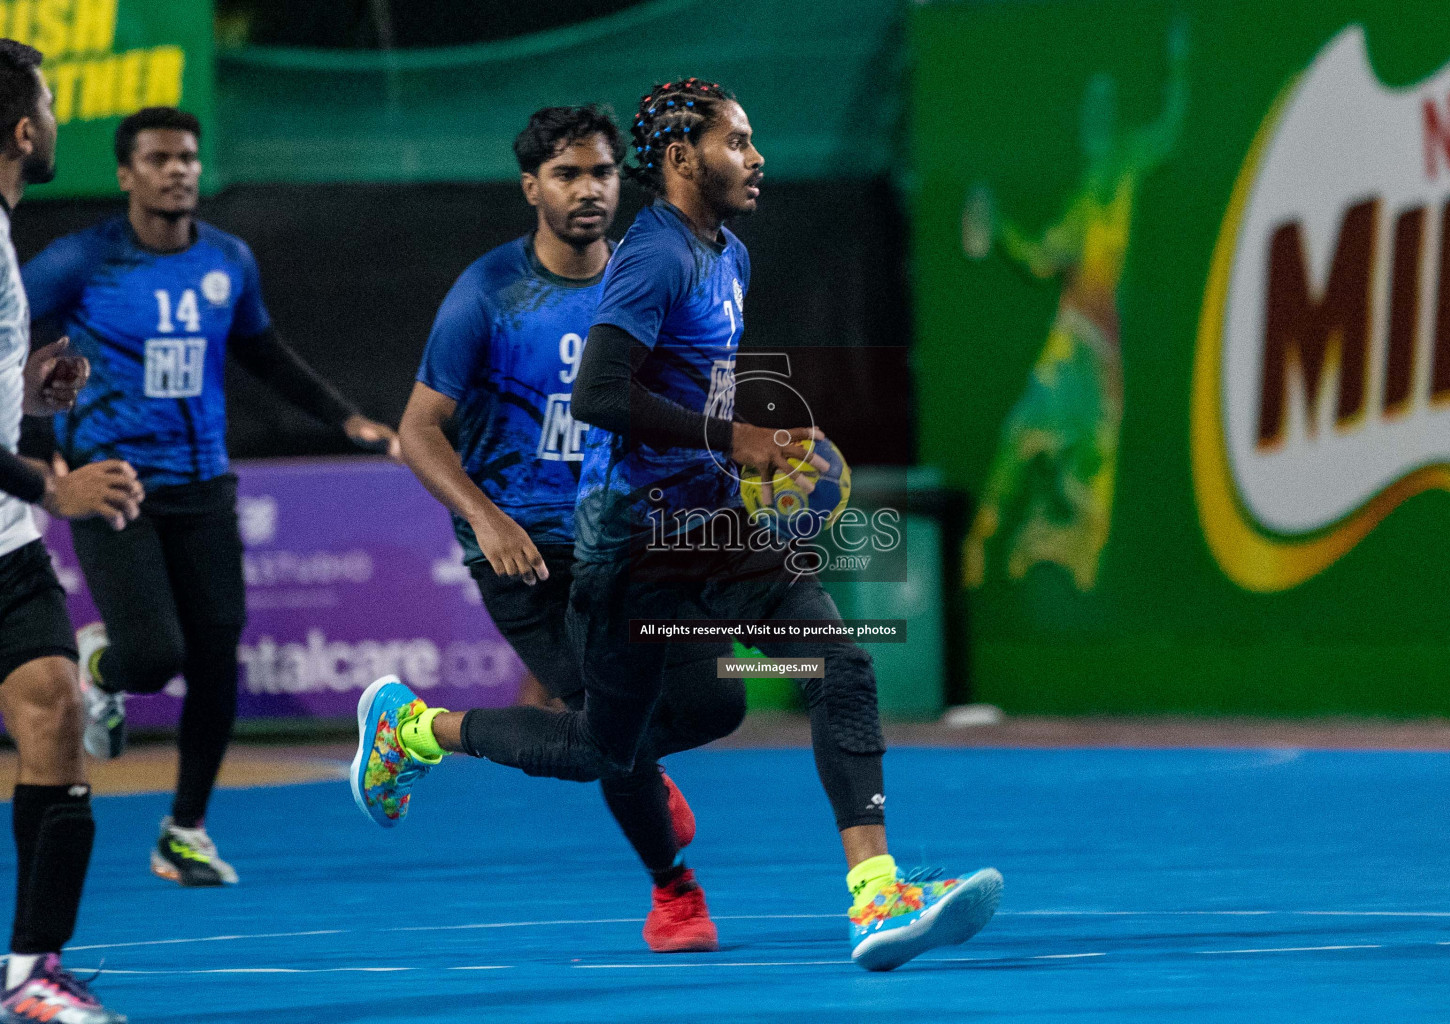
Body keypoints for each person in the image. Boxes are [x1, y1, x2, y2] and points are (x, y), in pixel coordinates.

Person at [364, 78, 1002, 972]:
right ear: (679, 159)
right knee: (601, 750)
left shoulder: (728, 253)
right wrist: (732, 436)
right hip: (628, 544)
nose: (756, 156)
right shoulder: (646, 259)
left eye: (752, 139)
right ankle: (418, 731)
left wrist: (765, 449)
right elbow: (600, 393)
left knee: (835, 659)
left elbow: (697, 382)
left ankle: (875, 895)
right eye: (737, 141)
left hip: (710, 526)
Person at [364, 104, 744, 954]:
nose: (588, 190)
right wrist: (487, 518)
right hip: (530, 551)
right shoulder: (490, 293)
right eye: (567, 174)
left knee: (716, 703)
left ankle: (418, 731)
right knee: (606, 733)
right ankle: (674, 892)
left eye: (603, 172)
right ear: (530, 187)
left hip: (635, 538)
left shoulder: (651, 277)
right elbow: (418, 430)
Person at [21, 106, 400, 888]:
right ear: (126, 174)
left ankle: (184, 831)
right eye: (159, 158)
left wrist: (343, 415)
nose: (178, 170)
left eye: (188, 157)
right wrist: (36, 437)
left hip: (205, 486)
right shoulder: (81, 261)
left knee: (219, 660)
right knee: (156, 658)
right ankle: (105, 671)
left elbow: (263, 352)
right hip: (113, 485)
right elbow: (8, 335)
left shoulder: (228, 259)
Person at [0, 38, 142, 1024]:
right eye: (50, 103)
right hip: (18, 509)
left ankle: (31, 972)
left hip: (0, 535)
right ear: (21, 129)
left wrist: (28, 387)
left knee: (55, 708)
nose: (56, 122)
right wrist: (51, 488)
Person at [960, 19, 1188, 592]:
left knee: (1093, 469)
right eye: (1091, 111)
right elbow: (1040, 260)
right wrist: (1000, 229)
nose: (1098, 119)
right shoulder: (1077, 203)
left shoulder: (1130, 163)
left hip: (1105, 349)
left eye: (1106, 108)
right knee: (1021, 433)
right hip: (1071, 340)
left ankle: (1074, 566)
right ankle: (979, 539)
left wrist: (1180, 63)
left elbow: (1170, 128)